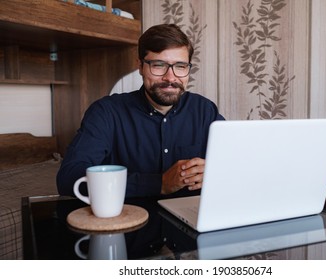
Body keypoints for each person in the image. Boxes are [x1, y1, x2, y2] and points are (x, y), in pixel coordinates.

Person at [56, 24, 225, 198]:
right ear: (140, 66)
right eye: (159, 65)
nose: (170, 77)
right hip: (125, 221)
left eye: (180, 66)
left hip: (194, 220)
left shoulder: (205, 111)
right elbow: (69, 179)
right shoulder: (106, 112)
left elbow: (237, 164)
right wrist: (159, 183)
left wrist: (216, 172)